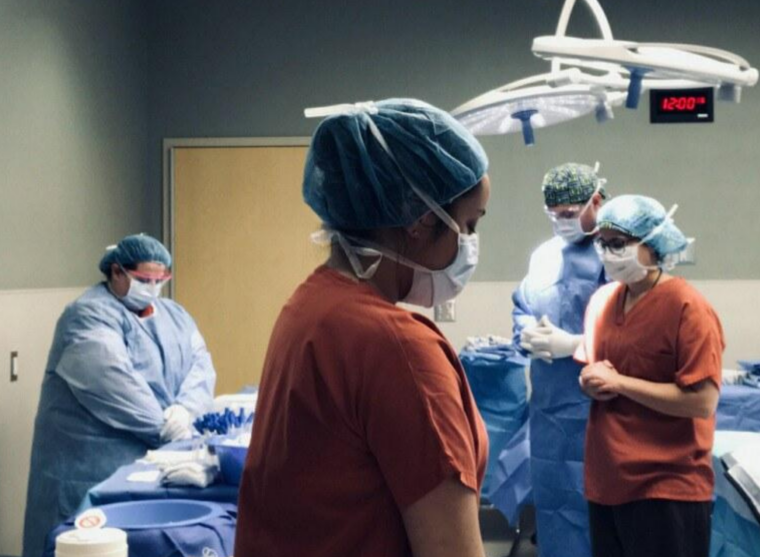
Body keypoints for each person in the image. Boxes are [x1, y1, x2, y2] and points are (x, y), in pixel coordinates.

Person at [235, 99, 491, 557]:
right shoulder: (399, 348)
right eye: (468, 225)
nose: (469, 244)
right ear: (420, 220)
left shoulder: (310, 306)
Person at [23, 234, 217, 557]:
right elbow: (116, 385)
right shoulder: (86, 317)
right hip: (86, 479)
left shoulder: (174, 315)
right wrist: (169, 429)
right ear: (116, 272)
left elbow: (202, 367)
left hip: (141, 472)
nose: (152, 287)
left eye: (160, 279)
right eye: (143, 279)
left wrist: (185, 410)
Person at [576, 195, 723, 557]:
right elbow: (592, 369)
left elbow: (702, 402)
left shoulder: (688, 308)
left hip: (666, 487)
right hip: (607, 482)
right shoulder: (602, 301)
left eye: (619, 244)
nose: (609, 253)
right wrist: (589, 382)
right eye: (603, 244)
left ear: (652, 242)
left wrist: (621, 383)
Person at [511, 162, 607, 557]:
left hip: (601, 410)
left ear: (595, 202)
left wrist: (578, 344)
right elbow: (522, 304)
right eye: (553, 215)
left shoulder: (615, 254)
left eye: (569, 214)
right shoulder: (544, 256)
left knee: (600, 513)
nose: (561, 223)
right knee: (554, 512)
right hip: (550, 412)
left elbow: (637, 332)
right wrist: (526, 335)